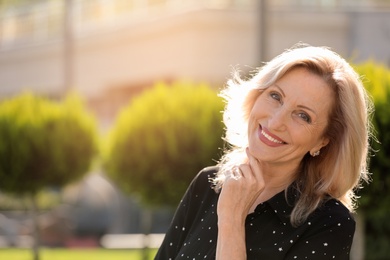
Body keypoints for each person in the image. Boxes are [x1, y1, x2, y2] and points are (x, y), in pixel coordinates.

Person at [155, 43, 373, 260]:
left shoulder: (329, 224)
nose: (276, 121)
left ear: (323, 142)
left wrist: (231, 219)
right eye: (276, 96)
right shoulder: (207, 184)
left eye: (303, 116)